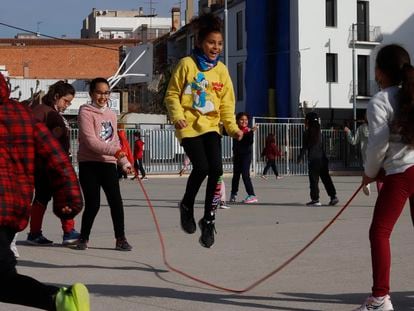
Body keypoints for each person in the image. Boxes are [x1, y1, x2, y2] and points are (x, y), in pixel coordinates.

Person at [0, 72, 89, 310]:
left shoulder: (35, 113)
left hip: (9, 204)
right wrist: (69, 196)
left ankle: (58, 300)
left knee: (2, 278)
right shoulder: (24, 115)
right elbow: (57, 157)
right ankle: (60, 300)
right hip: (10, 209)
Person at [164, 13, 243, 248]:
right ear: (199, 42)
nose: (216, 47)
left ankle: (208, 219)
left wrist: (233, 128)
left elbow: (228, 104)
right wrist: (177, 117)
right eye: (211, 42)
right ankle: (187, 204)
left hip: (211, 127)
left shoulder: (222, 71)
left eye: (219, 43)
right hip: (189, 126)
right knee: (202, 167)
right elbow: (171, 95)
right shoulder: (186, 65)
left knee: (217, 170)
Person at [354, 44, 414, 311]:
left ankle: (380, 299)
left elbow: (377, 145)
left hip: (401, 174)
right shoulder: (411, 95)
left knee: (379, 232)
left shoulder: (380, 101)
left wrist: (368, 174)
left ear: (379, 72)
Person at [76, 77, 133, 251]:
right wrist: (115, 152)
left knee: (116, 202)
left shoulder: (111, 113)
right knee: (93, 204)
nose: (103, 96)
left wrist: (124, 161)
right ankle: (83, 238)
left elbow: (114, 140)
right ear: (92, 93)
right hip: (89, 164)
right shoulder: (85, 112)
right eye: (99, 92)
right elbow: (91, 141)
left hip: (108, 164)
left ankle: (120, 239)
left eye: (106, 92)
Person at [27, 81, 81, 245]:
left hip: (48, 163)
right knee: (65, 196)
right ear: (56, 96)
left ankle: (35, 232)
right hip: (50, 164)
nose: (67, 105)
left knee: (43, 197)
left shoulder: (44, 111)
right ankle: (68, 232)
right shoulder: (46, 113)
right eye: (66, 101)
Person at [297, 112, 339, 207]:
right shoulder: (320, 132)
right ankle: (333, 197)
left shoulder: (307, 133)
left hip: (313, 160)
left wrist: (299, 158)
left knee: (314, 181)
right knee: (326, 179)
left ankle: (315, 200)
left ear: (308, 121)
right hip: (323, 159)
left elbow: (304, 147)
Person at [230, 112, 258, 204]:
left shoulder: (249, 131)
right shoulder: (235, 130)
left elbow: (249, 142)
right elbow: (232, 134)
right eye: (242, 119)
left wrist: (249, 132)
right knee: (236, 176)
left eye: (246, 120)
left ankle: (252, 195)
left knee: (245, 175)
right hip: (237, 155)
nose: (244, 121)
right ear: (237, 121)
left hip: (246, 156)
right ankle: (233, 194)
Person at [344, 115, 371, 196]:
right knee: (381, 177)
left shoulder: (361, 128)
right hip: (379, 155)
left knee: (368, 172)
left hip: (367, 156)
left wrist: (348, 131)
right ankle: (381, 193)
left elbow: (353, 141)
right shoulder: (379, 126)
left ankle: (367, 184)